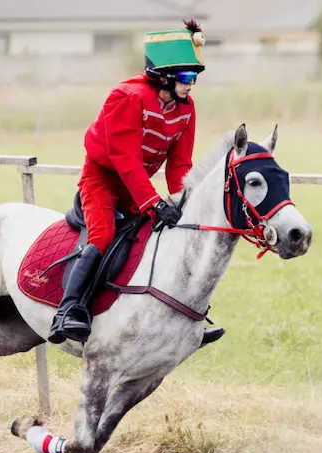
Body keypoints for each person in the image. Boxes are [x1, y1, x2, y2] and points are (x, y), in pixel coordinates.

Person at [48, 19, 225, 347]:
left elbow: (180, 165)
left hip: (138, 186)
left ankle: (181, 321)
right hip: (104, 180)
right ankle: (68, 310)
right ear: (164, 75)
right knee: (101, 236)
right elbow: (125, 161)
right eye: (187, 77)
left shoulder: (186, 108)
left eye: (195, 77)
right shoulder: (128, 97)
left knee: (167, 235)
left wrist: (181, 200)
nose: (192, 85)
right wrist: (154, 203)